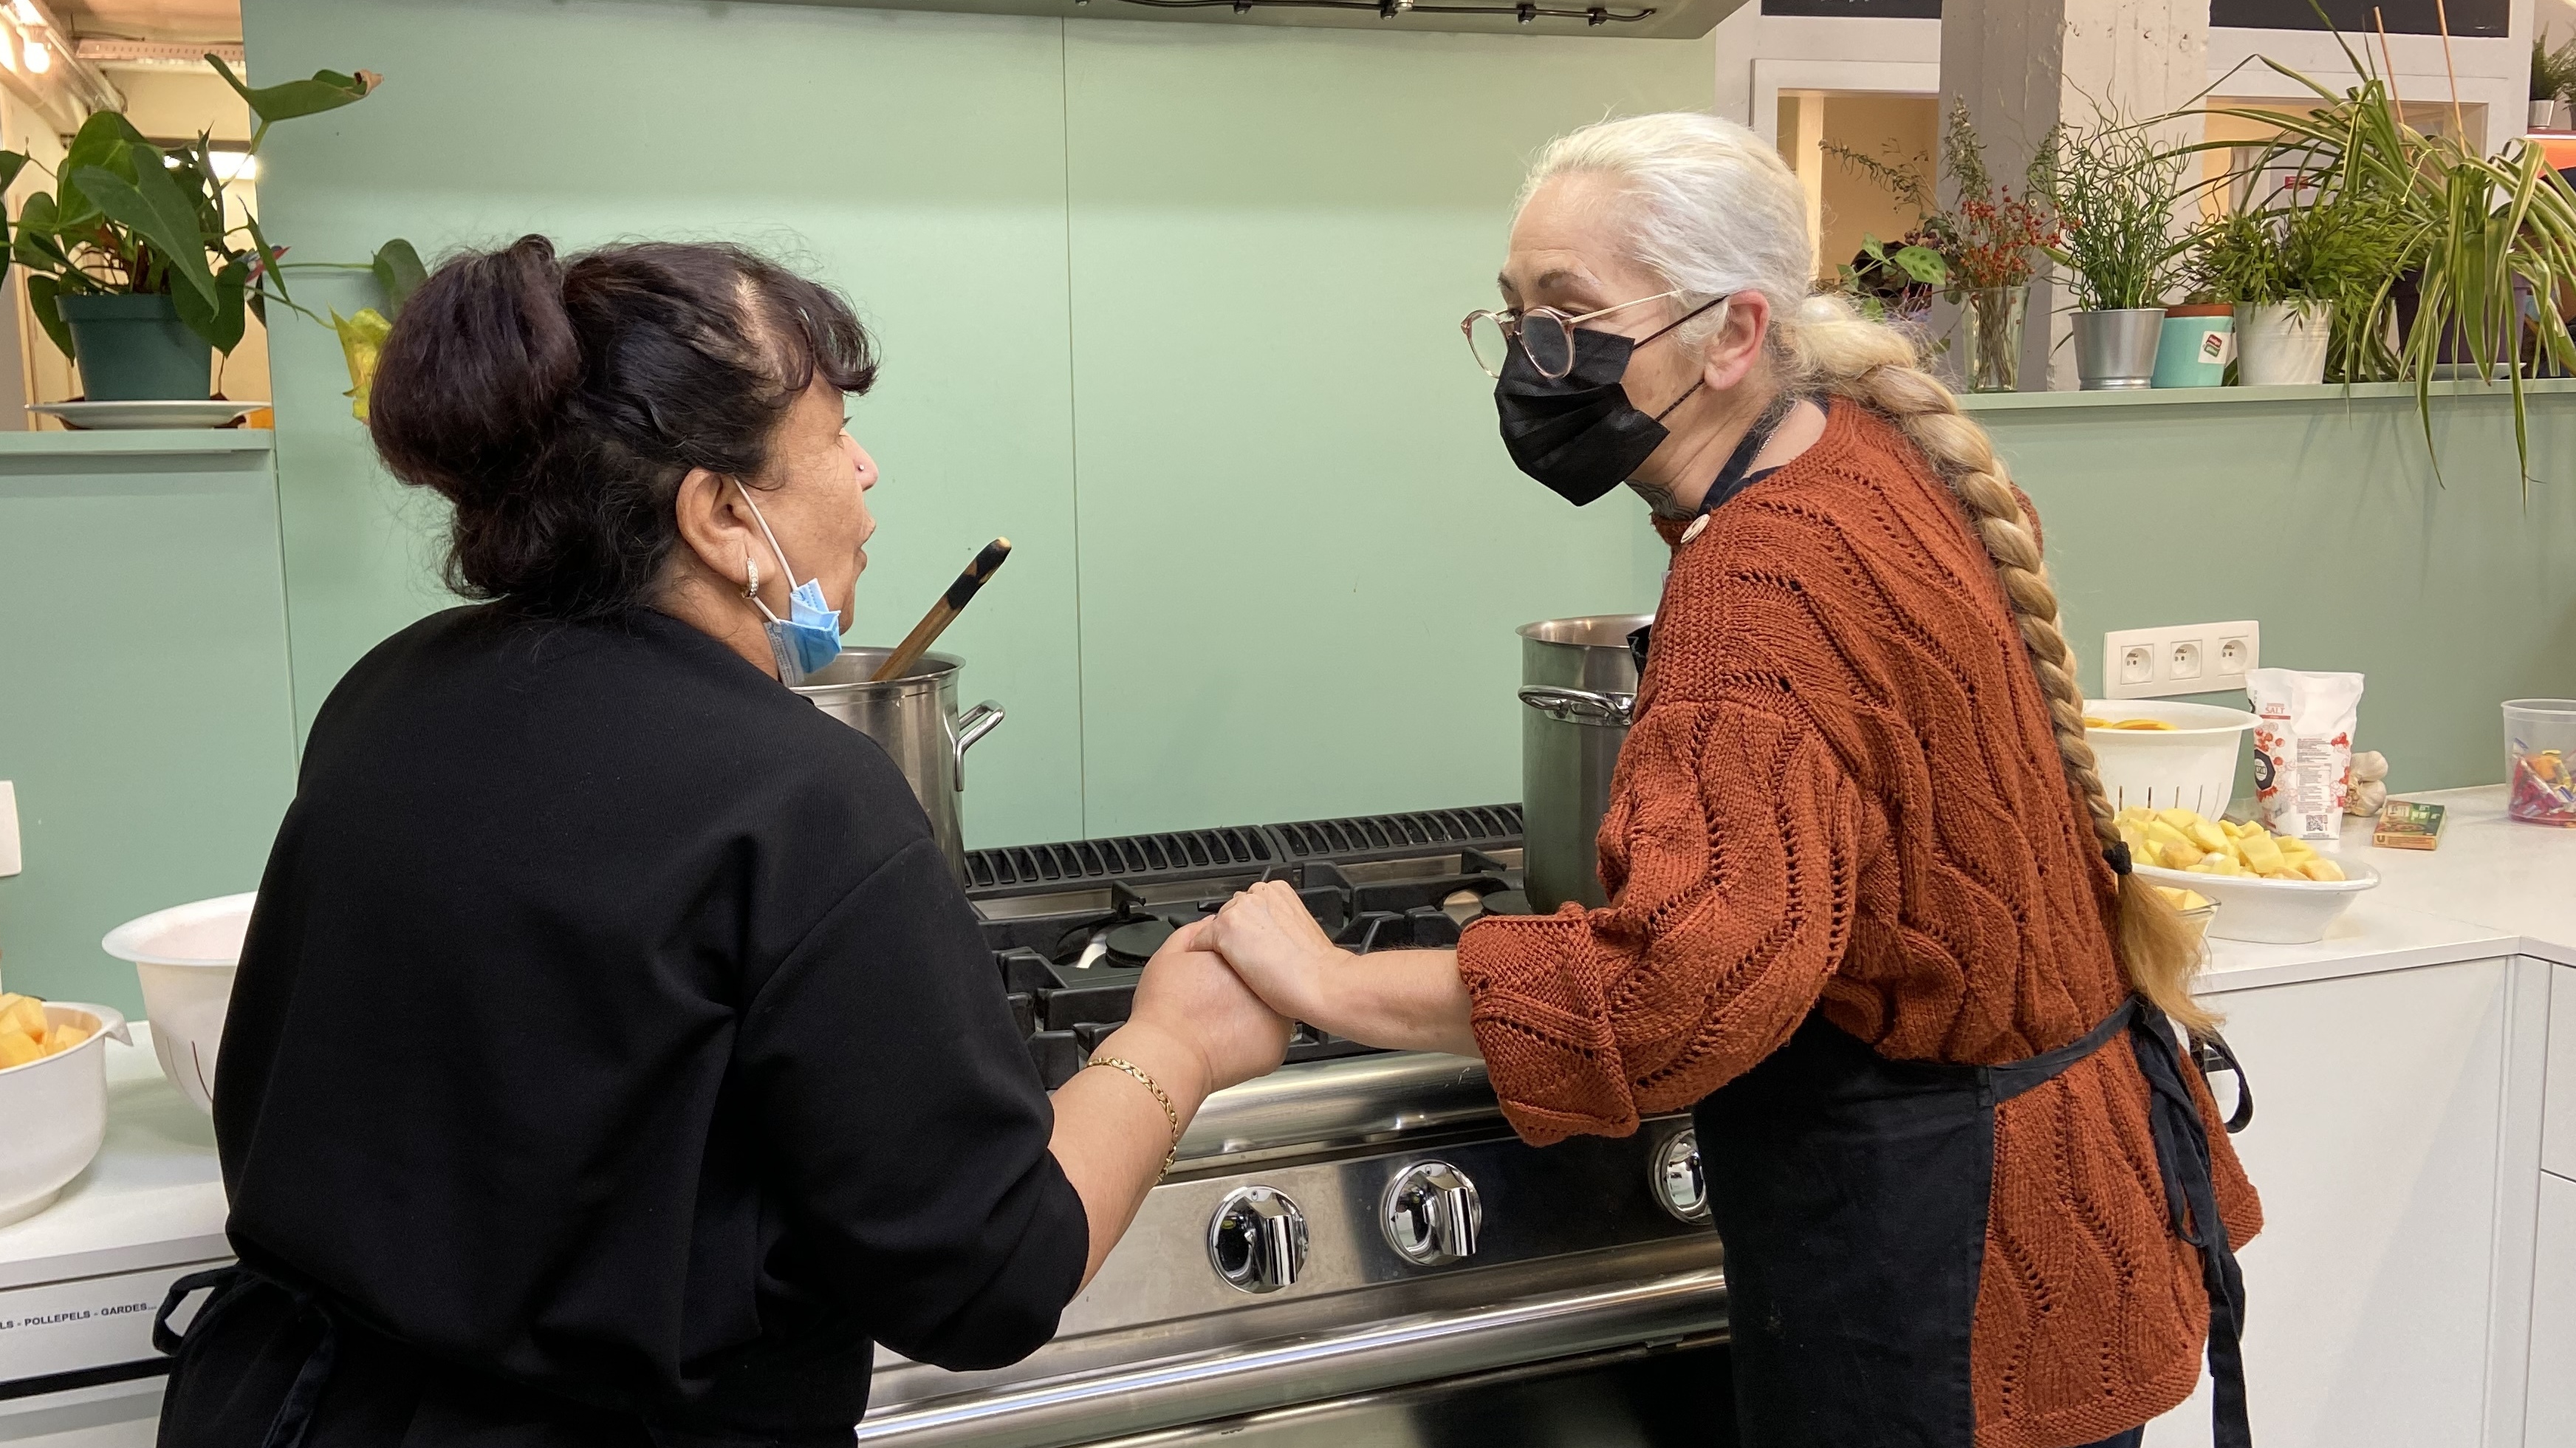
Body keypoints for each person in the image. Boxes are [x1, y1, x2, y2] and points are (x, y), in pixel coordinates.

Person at [1196, 113, 2261, 1448]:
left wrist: (1328, 983)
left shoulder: (1759, 580)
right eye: (1514, 314)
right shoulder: (1872, 456)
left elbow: (1673, 991)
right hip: (2071, 1214)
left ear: (1734, 334)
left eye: (1570, 316)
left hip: (1949, 1285)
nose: (1531, 360)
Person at [155, 237, 1292, 1448]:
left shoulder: (386, 694)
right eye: (835, 438)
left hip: (285, 1412)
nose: (865, 469)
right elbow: (986, 1272)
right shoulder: (802, 798)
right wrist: (1169, 1047)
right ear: (721, 515)